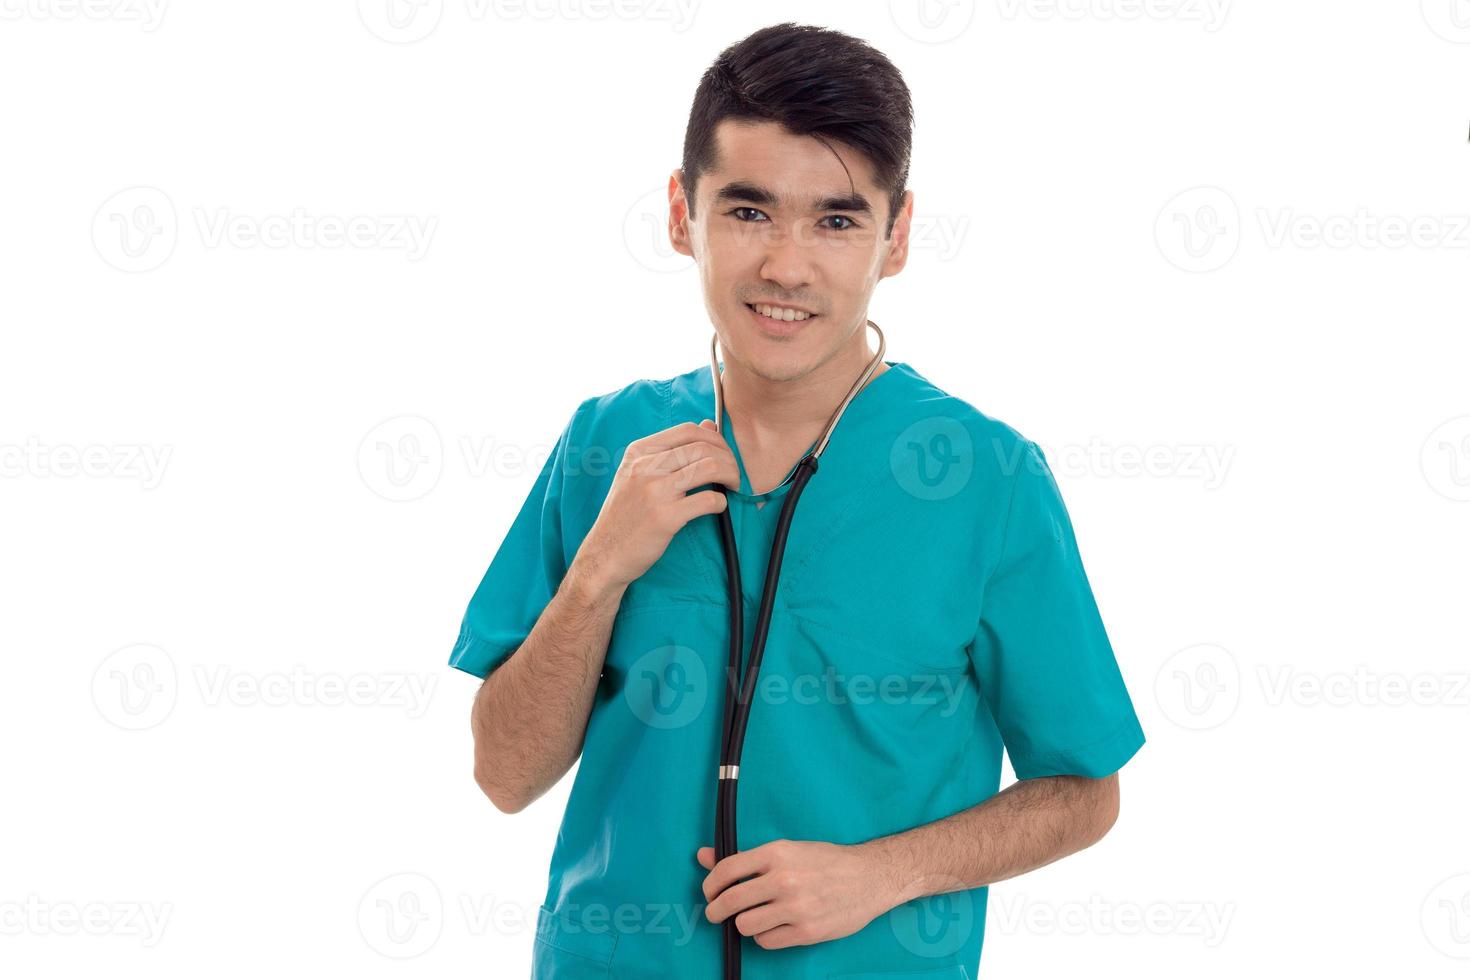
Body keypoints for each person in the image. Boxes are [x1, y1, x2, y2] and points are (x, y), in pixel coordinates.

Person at [450, 22, 1145, 979]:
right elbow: (503, 774)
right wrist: (601, 571)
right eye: (747, 213)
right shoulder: (604, 446)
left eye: (836, 219)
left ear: (895, 236)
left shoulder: (986, 477)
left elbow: (1085, 788)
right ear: (679, 215)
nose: (785, 266)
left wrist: (881, 874)